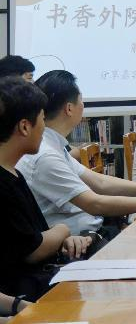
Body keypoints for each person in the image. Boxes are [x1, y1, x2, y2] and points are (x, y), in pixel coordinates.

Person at [20, 71, 136, 245]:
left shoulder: (54, 147)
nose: (83, 105)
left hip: (95, 231)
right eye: (81, 100)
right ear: (69, 108)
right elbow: (95, 204)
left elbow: (100, 182)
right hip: (82, 242)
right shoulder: (46, 155)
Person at [0, 77, 92, 300]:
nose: (44, 128)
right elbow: (31, 250)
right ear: (24, 126)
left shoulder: (13, 172)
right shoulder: (4, 182)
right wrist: (63, 230)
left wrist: (62, 240)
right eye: (42, 119)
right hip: (25, 291)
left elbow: (31, 236)